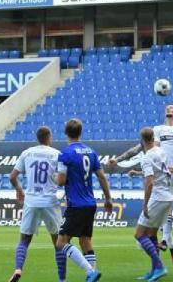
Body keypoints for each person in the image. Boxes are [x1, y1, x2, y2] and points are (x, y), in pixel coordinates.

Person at [108, 104, 173, 263]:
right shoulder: (158, 132)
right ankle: (169, 246)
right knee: (159, 222)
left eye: (172, 108)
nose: (169, 109)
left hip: (172, 175)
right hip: (165, 177)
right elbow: (143, 153)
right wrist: (120, 161)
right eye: (167, 108)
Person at [54, 118, 112, 282]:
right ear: (80, 133)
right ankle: (93, 273)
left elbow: (61, 181)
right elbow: (101, 177)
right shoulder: (90, 152)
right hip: (90, 203)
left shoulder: (65, 154)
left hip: (76, 204)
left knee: (61, 242)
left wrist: (53, 177)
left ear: (66, 133)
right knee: (85, 240)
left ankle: (90, 272)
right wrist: (108, 198)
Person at [7, 126, 61, 282]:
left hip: (31, 200)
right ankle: (61, 278)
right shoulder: (56, 154)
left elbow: (12, 177)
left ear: (38, 138)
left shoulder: (27, 152)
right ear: (49, 137)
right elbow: (64, 177)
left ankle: (18, 269)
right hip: (49, 201)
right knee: (58, 242)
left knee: (24, 240)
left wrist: (19, 189)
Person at [133, 127, 173, 282]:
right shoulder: (161, 151)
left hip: (157, 197)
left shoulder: (146, 157)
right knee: (151, 235)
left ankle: (160, 266)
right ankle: (154, 270)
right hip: (167, 196)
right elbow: (163, 172)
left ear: (142, 140)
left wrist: (145, 204)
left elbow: (149, 183)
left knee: (139, 235)